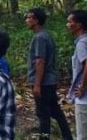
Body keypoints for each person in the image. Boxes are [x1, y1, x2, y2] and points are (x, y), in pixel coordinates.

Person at [25, 8, 71, 140]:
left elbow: (40, 61)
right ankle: (67, 136)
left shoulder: (40, 37)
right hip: (49, 81)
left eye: (29, 18)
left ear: (36, 20)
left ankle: (44, 137)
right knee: (55, 111)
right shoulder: (45, 35)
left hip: (44, 82)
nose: (27, 20)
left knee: (43, 114)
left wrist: (37, 84)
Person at [67, 9, 87, 138]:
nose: (67, 25)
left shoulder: (82, 43)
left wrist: (82, 88)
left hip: (85, 100)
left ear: (78, 25)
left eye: (70, 22)